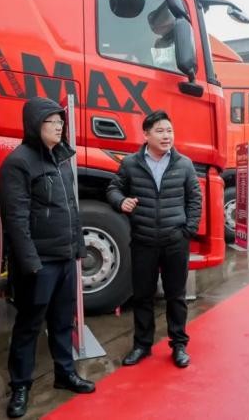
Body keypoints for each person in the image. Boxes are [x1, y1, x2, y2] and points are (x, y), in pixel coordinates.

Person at [0, 97, 95, 419]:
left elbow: (71, 208)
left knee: (62, 322)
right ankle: (21, 385)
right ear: (34, 125)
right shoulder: (18, 163)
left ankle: (64, 374)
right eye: (52, 122)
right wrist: (30, 265)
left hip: (66, 258)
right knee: (28, 325)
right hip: (39, 263)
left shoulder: (61, 160)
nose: (59, 127)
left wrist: (78, 249)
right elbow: (16, 220)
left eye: (61, 122)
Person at [107, 110, 202, 368]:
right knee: (142, 295)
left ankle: (179, 344)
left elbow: (195, 198)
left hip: (175, 241)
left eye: (169, 130)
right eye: (160, 131)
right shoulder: (131, 164)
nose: (166, 136)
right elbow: (113, 188)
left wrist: (187, 231)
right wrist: (120, 201)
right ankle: (142, 345)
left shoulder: (183, 164)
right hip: (143, 240)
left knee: (176, 296)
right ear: (146, 134)